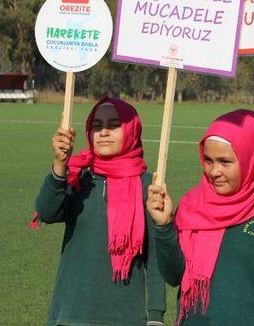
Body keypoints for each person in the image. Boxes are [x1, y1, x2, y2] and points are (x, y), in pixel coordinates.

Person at [146, 109, 254, 325]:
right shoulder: (191, 206)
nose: (214, 171)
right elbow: (174, 277)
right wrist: (163, 226)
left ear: (252, 158)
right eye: (208, 160)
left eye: (225, 161)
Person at [32, 97, 165, 326]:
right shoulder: (77, 177)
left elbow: (155, 261)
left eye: (114, 125)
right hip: (70, 314)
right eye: (96, 125)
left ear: (131, 130)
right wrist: (59, 166)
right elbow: (47, 212)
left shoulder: (147, 186)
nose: (103, 132)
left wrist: (155, 316)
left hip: (125, 318)